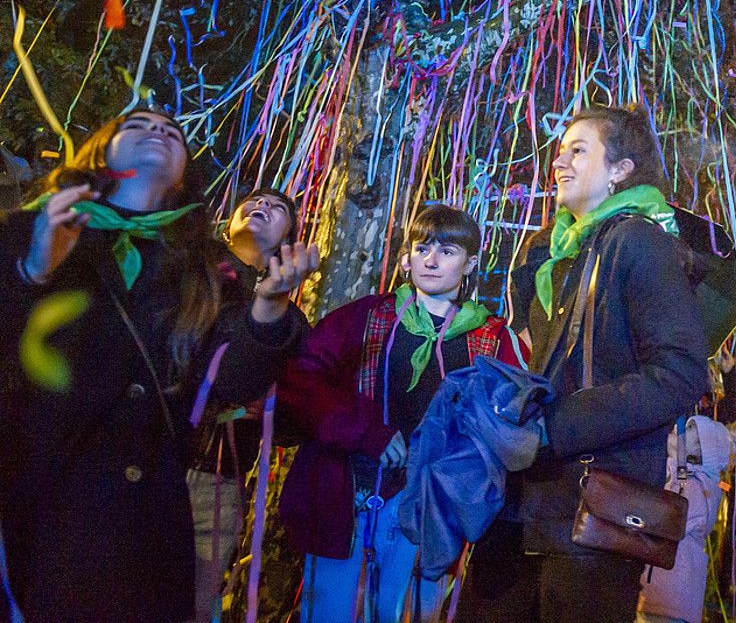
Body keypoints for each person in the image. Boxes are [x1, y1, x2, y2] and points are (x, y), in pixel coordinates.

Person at [0, 109, 316, 622]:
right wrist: (33, 268)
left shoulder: (206, 271)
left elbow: (231, 378)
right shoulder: (30, 228)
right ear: (101, 150)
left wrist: (271, 306)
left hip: (144, 519)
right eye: (139, 124)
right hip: (35, 501)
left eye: (172, 133)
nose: (159, 133)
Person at [461, 104, 710, 623]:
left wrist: (555, 427)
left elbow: (681, 371)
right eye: (560, 151)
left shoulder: (640, 243)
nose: (559, 162)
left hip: (591, 511)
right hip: (520, 505)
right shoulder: (553, 257)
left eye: (579, 150)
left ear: (621, 170)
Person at [277, 204, 521, 623]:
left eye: (447, 250)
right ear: (406, 256)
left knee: (408, 614)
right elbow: (301, 380)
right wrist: (364, 430)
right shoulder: (369, 316)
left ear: (471, 263)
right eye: (422, 247)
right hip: (350, 501)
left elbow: (510, 428)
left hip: (432, 515)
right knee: (330, 612)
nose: (431, 259)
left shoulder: (493, 338)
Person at [187, 187, 304, 621]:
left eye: (276, 208)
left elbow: (298, 413)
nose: (261, 206)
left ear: (288, 236)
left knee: (195, 605)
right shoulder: (189, 272)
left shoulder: (290, 319)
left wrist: (274, 409)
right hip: (153, 455)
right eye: (253, 202)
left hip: (219, 481)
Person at [635, 415, 736, 623]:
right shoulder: (693, 483)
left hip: (671, 591)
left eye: (690, 438)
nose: (682, 440)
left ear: (701, 452)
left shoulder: (695, 487)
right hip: (665, 590)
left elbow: (666, 521)